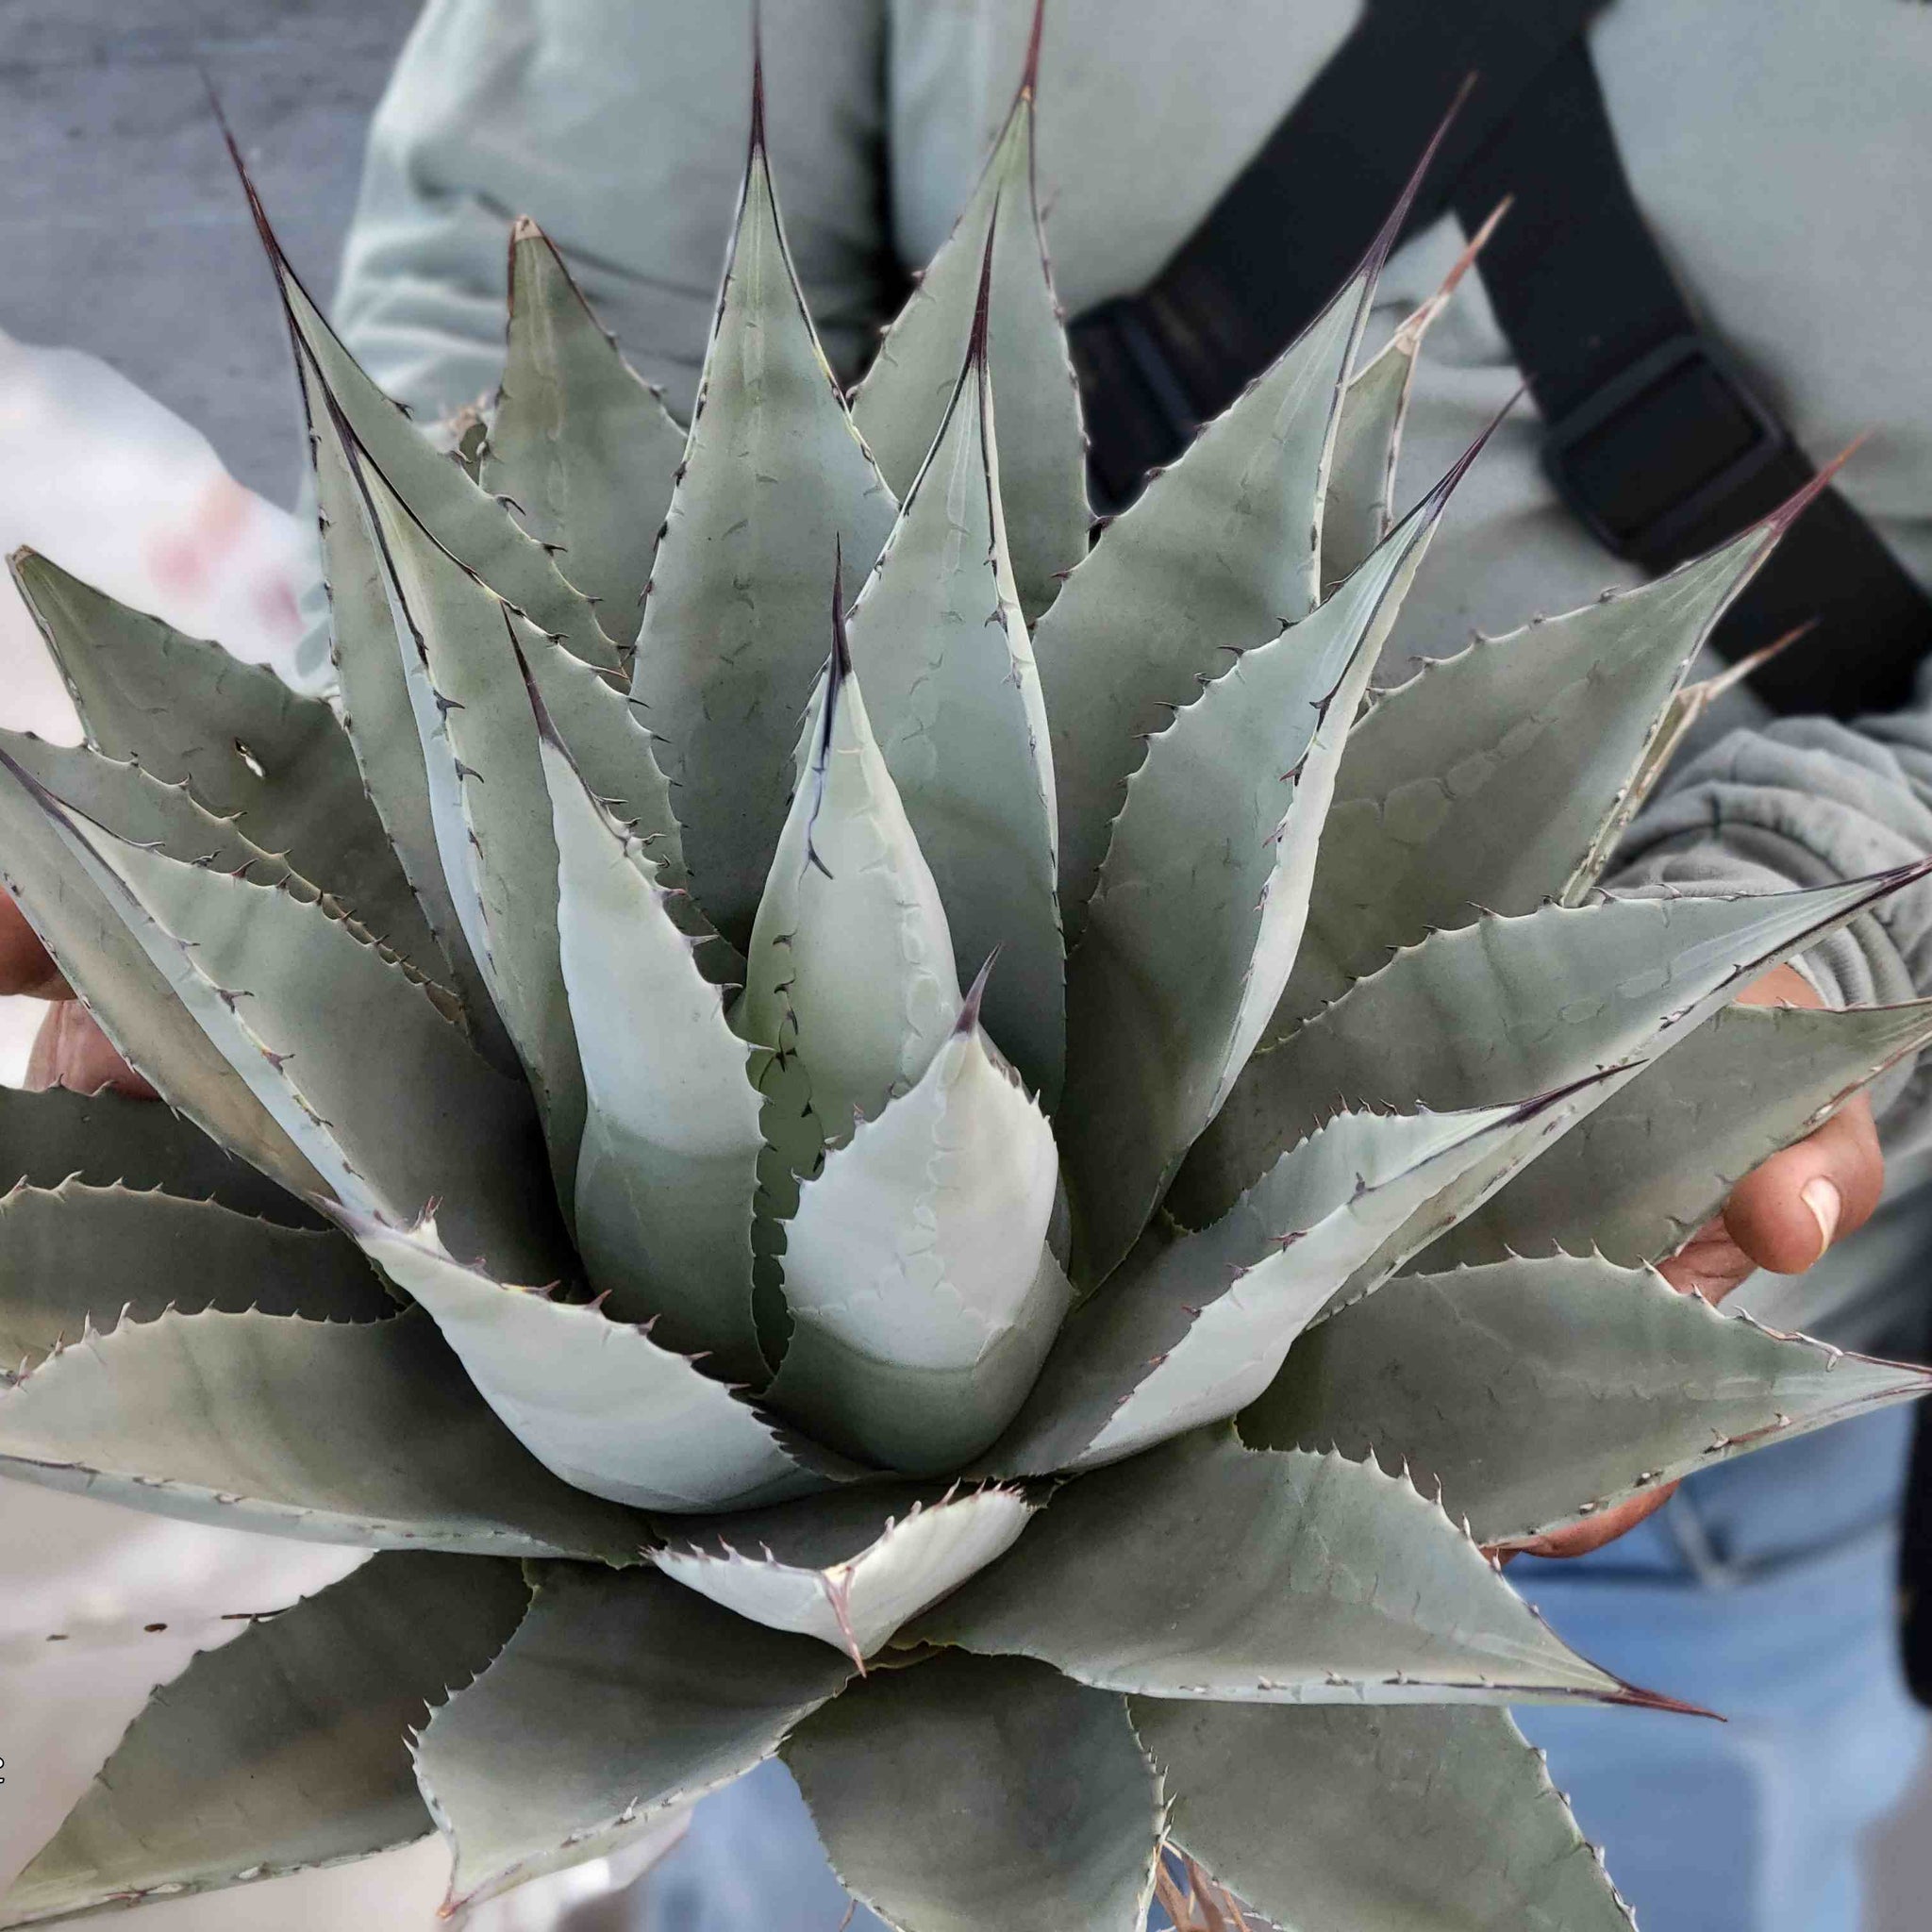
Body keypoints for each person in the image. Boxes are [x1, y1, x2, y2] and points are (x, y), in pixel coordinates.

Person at [7, 2, 1930, 1926]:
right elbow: (561, 256)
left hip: (1569, 1361)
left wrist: (1807, 921)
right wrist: (408, 827)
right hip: (717, 1601)